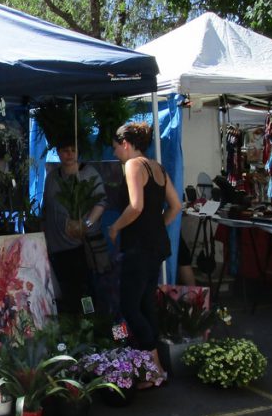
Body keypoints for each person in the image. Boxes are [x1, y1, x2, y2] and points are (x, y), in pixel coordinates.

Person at [107, 122, 182, 368]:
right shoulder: (157, 167)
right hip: (156, 246)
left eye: (116, 148)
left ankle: (154, 366)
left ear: (126, 144)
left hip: (137, 248)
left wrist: (116, 226)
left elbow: (136, 206)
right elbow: (176, 205)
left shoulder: (133, 165)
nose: (115, 153)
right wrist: (157, 225)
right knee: (145, 303)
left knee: (128, 306)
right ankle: (155, 363)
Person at [41, 142, 106, 315]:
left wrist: (87, 224)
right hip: (57, 246)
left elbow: (101, 202)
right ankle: (71, 324)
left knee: (86, 289)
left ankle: (90, 321)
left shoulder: (88, 173)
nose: (69, 154)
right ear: (58, 152)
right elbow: (46, 208)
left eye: (73, 150)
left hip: (82, 245)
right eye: (65, 150)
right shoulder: (52, 177)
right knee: (65, 289)